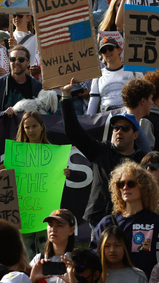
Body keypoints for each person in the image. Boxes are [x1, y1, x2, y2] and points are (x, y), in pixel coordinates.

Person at [61, 78, 146, 228]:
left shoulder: (142, 161)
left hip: (130, 222)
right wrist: (66, 96)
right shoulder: (100, 151)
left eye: (125, 128)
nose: (119, 131)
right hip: (99, 221)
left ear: (135, 135)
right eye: (115, 128)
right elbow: (73, 131)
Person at [90, 162, 159, 278]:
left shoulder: (158, 223)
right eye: (121, 184)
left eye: (131, 183)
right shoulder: (106, 223)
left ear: (143, 187)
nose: (125, 187)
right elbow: (94, 257)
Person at [28, 209, 76, 283]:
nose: (53, 229)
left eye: (59, 225)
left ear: (71, 230)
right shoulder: (38, 260)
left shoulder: (79, 259)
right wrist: (32, 279)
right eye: (50, 225)